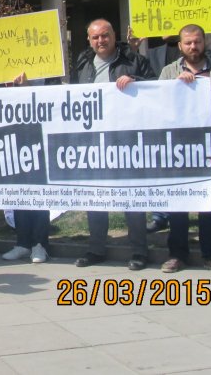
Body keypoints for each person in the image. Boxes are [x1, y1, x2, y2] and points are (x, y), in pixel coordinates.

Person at [71, 19, 155, 271]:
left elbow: (155, 86)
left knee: (131, 197)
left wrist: (135, 79)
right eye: (95, 37)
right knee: (96, 196)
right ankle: (96, 248)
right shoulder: (83, 63)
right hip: (94, 142)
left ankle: (139, 251)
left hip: (127, 140)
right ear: (89, 39)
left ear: (113, 35)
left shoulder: (132, 59)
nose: (100, 41)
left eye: (105, 36)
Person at [160, 24, 211, 274]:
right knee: (178, 204)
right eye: (188, 43)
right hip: (178, 151)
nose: (193, 47)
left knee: (208, 204)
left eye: (197, 42)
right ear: (180, 46)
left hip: (209, 150)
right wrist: (177, 87)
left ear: (205, 43)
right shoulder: (169, 72)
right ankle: (177, 254)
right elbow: (158, 107)